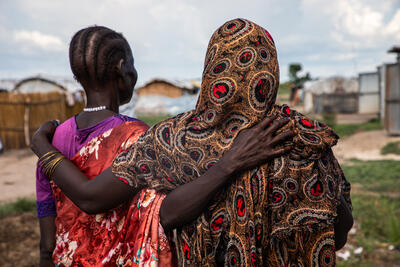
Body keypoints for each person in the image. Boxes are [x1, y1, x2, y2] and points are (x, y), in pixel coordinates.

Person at [32, 19, 353, 266]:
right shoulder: (306, 138)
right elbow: (338, 235)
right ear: (271, 70)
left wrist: (42, 146)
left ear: (212, 68)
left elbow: (163, 216)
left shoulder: (173, 140)